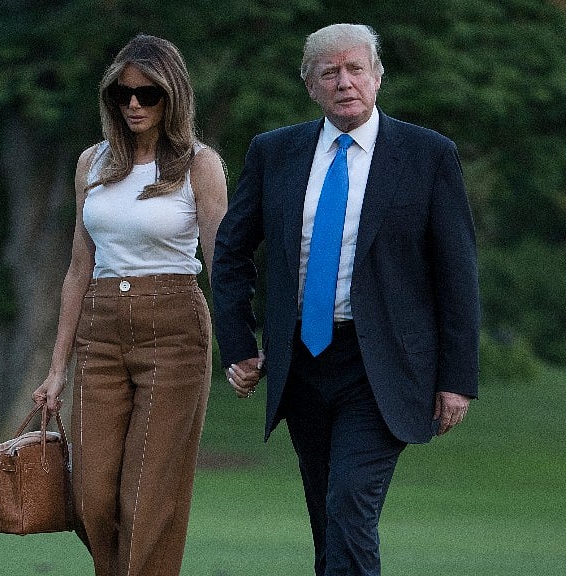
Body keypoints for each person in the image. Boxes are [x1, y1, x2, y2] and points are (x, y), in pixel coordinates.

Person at [212, 23, 479, 576]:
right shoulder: (274, 152)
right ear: (310, 84)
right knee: (327, 517)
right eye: (329, 72)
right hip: (302, 362)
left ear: (377, 77)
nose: (344, 82)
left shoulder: (427, 155)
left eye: (356, 69)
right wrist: (238, 344)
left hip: (383, 364)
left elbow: (457, 275)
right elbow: (232, 252)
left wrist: (457, 378)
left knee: (349, 504)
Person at [32, 34, 228, 576]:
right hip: (100, 330)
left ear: (173, 96)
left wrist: (240, 344)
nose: (134, 104)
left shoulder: (199, 165)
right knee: (89, 497)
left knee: (146, 501)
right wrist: (56, 368)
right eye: (123, 94)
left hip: (174, 328)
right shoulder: (91, 163)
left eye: (148, 94)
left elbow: (220, 260)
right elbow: (78, 267)